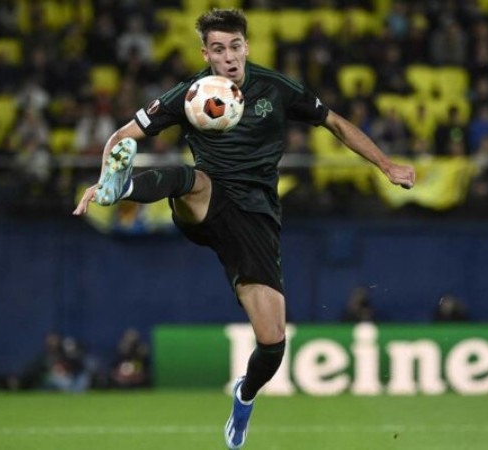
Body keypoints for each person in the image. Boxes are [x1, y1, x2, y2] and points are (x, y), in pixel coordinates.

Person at [73, 9, 416, 450]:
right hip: (208, 201)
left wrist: (385, 164)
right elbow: (123, 135)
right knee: (186, 177)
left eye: (235, 47)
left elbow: (333, 122)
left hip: (256, 220)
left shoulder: (276, 87)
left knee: (273, 344)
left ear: (246, 47)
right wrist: (105, 179)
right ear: (206, 54)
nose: (229, 57)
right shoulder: (189, 94)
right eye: (219, 49)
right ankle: (123, 187)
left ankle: (245, 394)